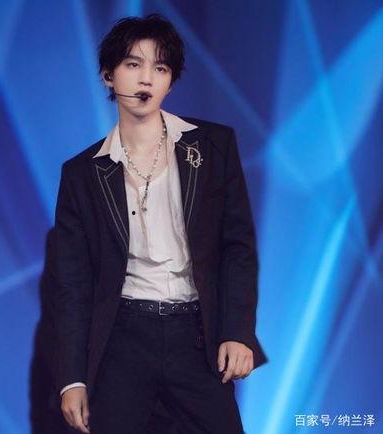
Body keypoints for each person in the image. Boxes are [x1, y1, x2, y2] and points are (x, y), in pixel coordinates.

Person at [52, 13, 268, 434]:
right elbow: (72, 283)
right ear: (108, 75)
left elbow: (237, 247)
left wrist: (238, 331)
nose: (146, 79)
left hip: (197, 334)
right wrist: (72, 378)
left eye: (161, 68)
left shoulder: (213, 147)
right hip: (123, 338)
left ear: (171, 81)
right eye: (133, 64)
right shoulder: (81, 174)